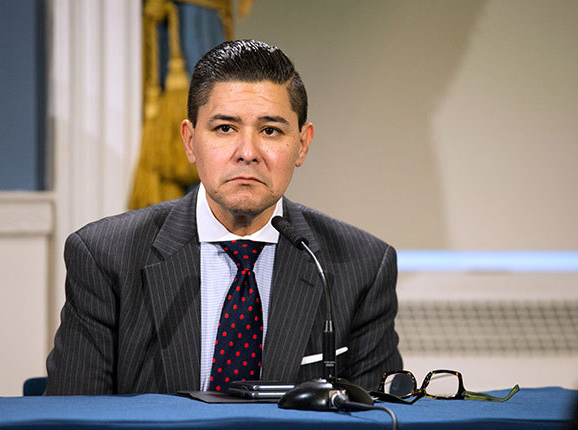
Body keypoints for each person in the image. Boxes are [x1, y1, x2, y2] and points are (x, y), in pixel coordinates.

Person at [45, 39, 402, 395]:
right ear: (189, 141)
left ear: (302, 144)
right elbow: (73, 413)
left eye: (270, 131)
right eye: (225, 128)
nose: (247, 153)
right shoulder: (107, 256)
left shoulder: (361, 266)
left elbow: (378, 416)